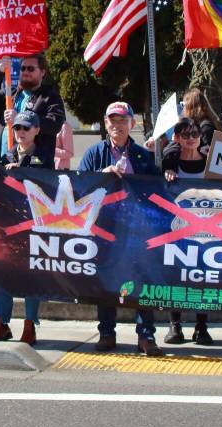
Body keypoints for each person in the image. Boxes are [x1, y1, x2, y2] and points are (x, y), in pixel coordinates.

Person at [79, 102, 163, 356]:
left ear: (131, 124)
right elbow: (80, 186)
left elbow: (156, 189)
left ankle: (146, 335)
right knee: (106, 278)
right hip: (104, 226)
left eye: (122, 120)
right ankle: (107, 332)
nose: (117, 125)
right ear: (105, 123)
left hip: (137, 228)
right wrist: (102, 175)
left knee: (142, 278)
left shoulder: (143, 156)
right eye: (112, 120)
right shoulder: (94, 153)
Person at [0, 110, 52, 346]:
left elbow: (48, 188)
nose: (21, 132)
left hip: (34, 227)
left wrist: (23, 173)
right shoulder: (5, 156)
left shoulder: (44, 158)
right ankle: (1, 324)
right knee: (2, 275)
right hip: (6, 226)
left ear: (36, 130)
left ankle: (30, 326)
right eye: (18, 128)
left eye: (26, 128)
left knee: (31, 278)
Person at [161, 117, 213, 345]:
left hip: (209, 231)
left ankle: (202, 326)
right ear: (177, 138)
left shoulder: (211, 162)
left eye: (195, 134)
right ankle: (175, 326)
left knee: (204, 278)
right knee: (176, 276)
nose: (191, 139)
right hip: (178, 229)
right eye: (185, 135)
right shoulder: (170, 161)